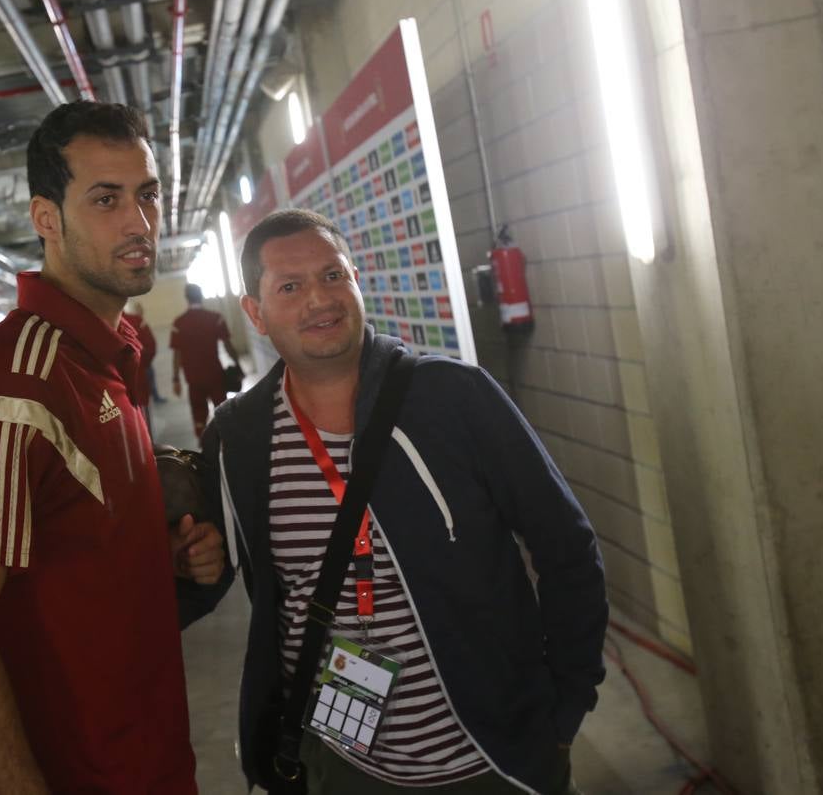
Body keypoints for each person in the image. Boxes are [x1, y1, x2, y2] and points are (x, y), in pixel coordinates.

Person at [201, 209, 607, 794]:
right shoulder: (239, 438)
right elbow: (218, 583)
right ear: (255, 313)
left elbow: (566, 547)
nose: (320, 299)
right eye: (290, 286)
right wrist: (190, 563)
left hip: (493, 758)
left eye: (333, 276)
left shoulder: (454, 398)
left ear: (357, 281)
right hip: (343, 763)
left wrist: (567, 705)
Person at [0, 101, 227, 794]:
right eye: (106, 200)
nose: (139, 222)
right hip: (85, 773)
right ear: (46, 219)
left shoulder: (101, 356)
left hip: (149, 752)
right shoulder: (19, 383)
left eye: (147, 195)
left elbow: (80, 542)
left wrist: (169, 558)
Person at [171, 282, 241, 437]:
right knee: (223, 412)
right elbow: (228, 346)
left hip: (193, 379)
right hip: (215, 375)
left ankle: (205, 450)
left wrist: (175, 379)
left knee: (199, 417)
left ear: (186, 298)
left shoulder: (179, 323)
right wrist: (238, 366)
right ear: (201, 296)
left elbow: (177, 354)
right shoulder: (215, 318)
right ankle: (227, 444)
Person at [123, 300, 158, 427]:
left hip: (110, 398)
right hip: (138, 385)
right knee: (143, 428)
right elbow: (151, 347)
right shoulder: (137, 321)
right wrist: (143, 365)